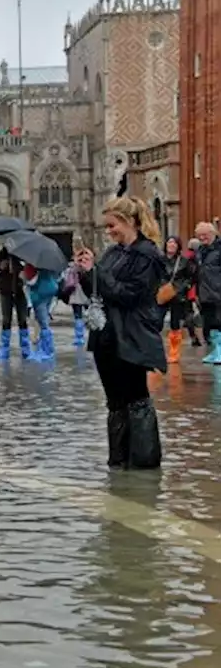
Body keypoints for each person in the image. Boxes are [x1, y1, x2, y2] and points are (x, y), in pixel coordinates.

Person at [75, 196, 166, 470]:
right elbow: (100, 289)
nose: (109, 231)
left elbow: (129, 296)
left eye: (112, 225)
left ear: (129, 222)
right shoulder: (114, 253)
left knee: (136, 397)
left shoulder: (147, 255)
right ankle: (118, 461)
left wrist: (98, 274)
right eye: (106, 226)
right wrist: (85, 271)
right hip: (106, 336)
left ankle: (143, 463)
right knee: (115, 402)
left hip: (131, 335)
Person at [162, 236, 196, 364]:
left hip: (177, 295)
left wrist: (183, 288)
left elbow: (191, 277)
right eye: (169, 242)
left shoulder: (184, 261)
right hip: (162, 294)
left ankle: (174, 352)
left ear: (178, 246)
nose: (171, 245)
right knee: (156, 321)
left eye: (174, 243)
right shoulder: (160, 260)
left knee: (175, 323)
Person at [0, 248, 31, 359]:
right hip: (5, 291)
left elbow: (29, 270)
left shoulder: (22, 254)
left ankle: (25, 347)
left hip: (20, 291)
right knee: (6, 319)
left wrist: (21, 270)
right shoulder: (0, 255)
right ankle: (4, 347)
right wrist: (1, 268)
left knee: (23, 319)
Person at [193, 221, 222, 365]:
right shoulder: (200, 250)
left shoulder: (220, 248)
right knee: (209, 323)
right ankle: (215, 350)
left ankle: (220, 351)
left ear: (212, 233)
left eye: (204, 235)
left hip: (218, 292)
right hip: (205, 293)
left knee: (219, 321)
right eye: (199, 236)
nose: (202, 238)